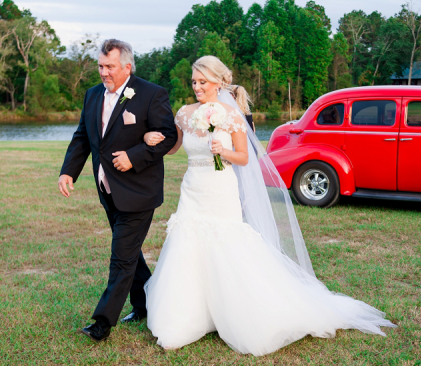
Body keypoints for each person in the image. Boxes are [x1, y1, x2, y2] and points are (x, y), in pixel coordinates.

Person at [142, 55, 396, 356]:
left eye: (203, 82)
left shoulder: (230, 115)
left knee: (223, 245)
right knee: (187, 244)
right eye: (194, 82)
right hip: (192, 188)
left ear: (219, 83)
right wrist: (150, 138)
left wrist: (222, 150)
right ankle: (186, 319)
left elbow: (244, 157)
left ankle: (234, 311)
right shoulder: (184, 113)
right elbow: (173, 147)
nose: (197, 87)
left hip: (220, 188)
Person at [57, 39, 177, 342]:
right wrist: (68, 171)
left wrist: (133, 157)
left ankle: (102, 322)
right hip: (107, 190)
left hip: (139, 191)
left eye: (109, 66)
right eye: (100, 65)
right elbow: (83, 136)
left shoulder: (151, 94)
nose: (103, 72)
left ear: (127, 66)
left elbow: (168, 136)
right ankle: (145, 303)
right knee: (130, 252)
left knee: (121, 256)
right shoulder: (92, 95)